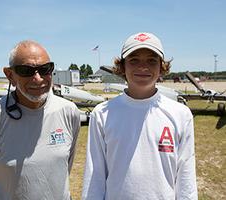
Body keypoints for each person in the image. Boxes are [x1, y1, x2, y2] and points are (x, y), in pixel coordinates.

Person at [82, 32, 198, 199]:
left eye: (152, 60)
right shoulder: (102, 113)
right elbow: (95, 175)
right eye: (134, 60)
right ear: (122, 66)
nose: (143, 67)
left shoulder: (180, 114)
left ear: (161, 67)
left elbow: (186, 176)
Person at [0, 40, 80, 200]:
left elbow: (64, 167)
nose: (38, 78)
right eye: (26, 70)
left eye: (45, 69)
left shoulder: (69, 112)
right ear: (10, 75)